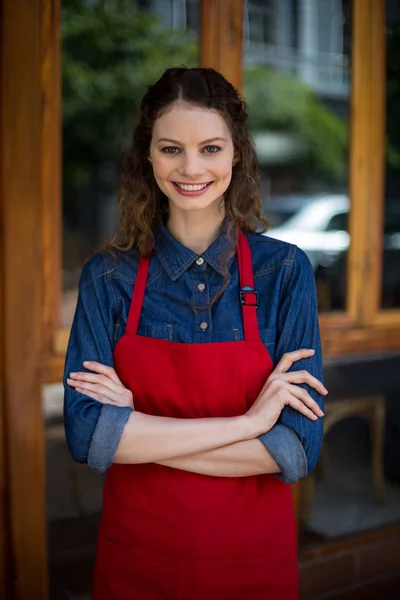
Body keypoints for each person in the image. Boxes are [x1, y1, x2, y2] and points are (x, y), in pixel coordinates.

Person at [63, 67, 326, 600]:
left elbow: (296, 449)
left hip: (253, 565)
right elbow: (87, 437)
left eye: (210, 148)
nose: (190, 168)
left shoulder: (284, 272)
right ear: (149, 157)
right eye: (170, 149)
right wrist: (250, 424)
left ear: (237, 155)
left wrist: (133, 430)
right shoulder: (109, 277)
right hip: (138, 561)